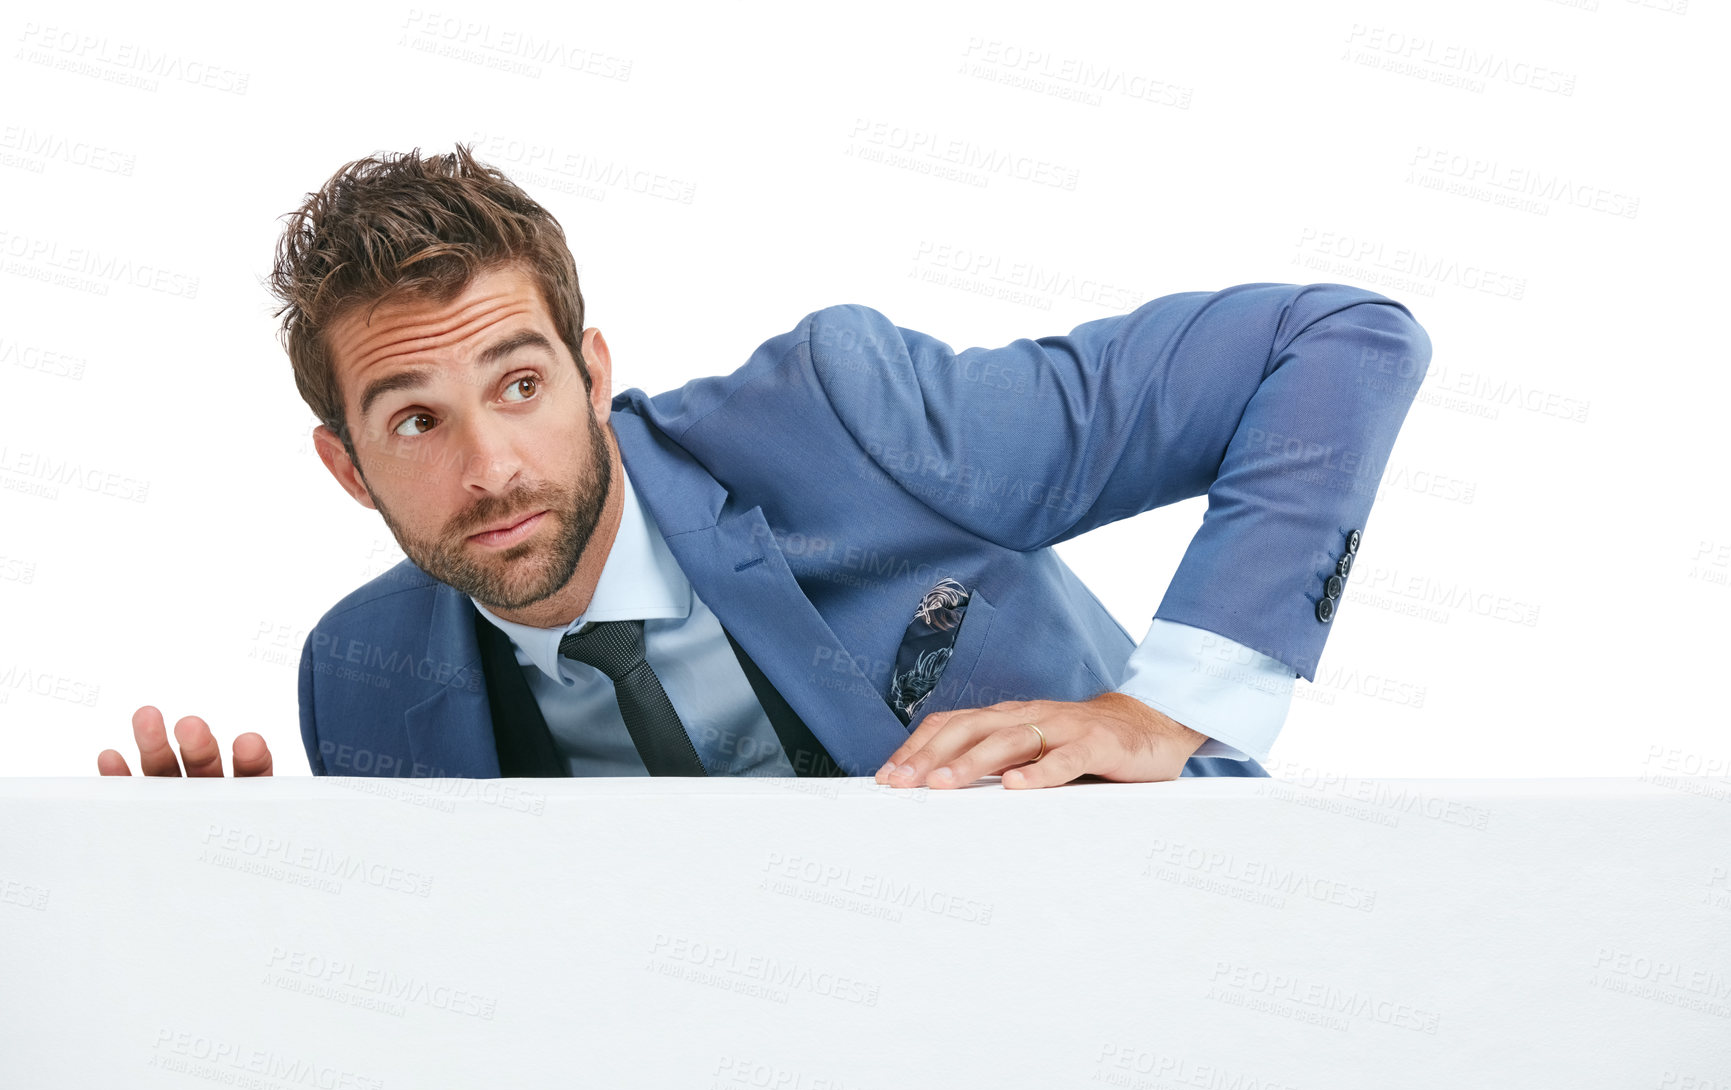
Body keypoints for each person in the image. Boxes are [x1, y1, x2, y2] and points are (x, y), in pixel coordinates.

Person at [96, 145, 1431, 789]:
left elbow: (1335, 347)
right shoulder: (358, 682)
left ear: (592, 369)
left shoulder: (853, 424)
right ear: (346, 467)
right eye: (414, 419)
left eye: (517, 382)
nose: (492, 464)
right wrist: (244, 891)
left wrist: (1163, 708)